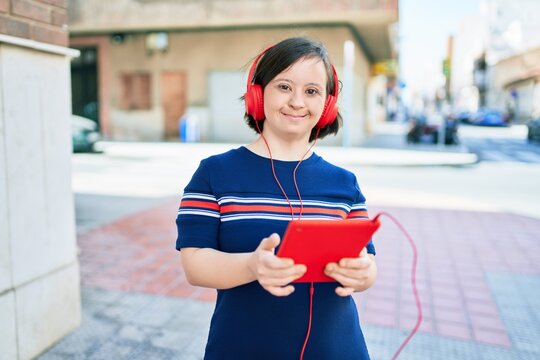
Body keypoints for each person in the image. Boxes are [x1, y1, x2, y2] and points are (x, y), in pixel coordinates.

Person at [176, 37, 377, 360]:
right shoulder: (214, 173)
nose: (297, 101)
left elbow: (368, 264)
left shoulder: (345, 183)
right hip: (242, 348)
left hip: (337, 350)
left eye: (311, 91)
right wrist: (252, 266)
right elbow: (195, 265)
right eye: (284, 86)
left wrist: (364, 274)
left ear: (327, 104)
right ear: (258, 95)